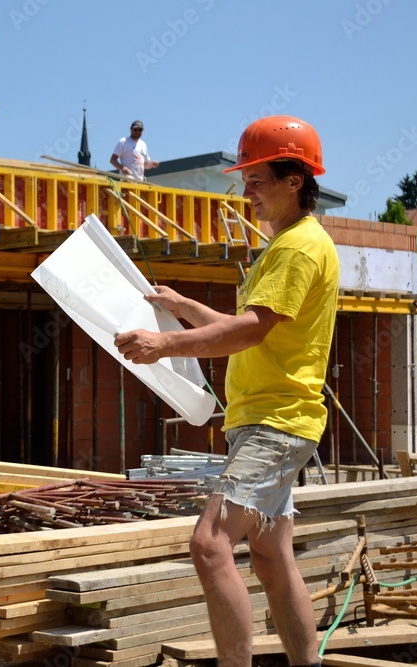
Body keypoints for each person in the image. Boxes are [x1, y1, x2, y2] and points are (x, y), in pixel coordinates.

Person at [115, 116, 337, 667]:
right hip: (272, 421)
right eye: (245, 180)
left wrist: (165, 343)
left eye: (257, 180)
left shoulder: (296, 249)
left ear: (295, 180)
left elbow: (250, 331)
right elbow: (251, 328)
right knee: (270, 557)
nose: (246, 192)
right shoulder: (289, 244)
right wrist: (185, 308)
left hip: (275, 423)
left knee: (210, 545)